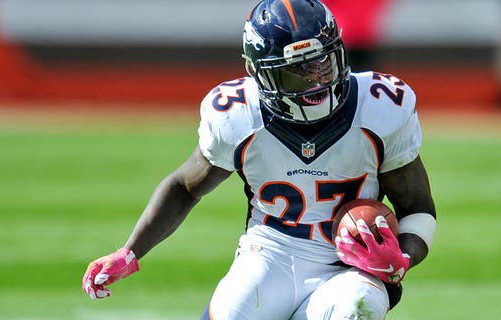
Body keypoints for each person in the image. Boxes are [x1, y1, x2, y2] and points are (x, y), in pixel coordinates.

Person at [82, 0, 437, 319]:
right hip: (271, 255)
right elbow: (185, 186)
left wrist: (399, 259)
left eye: (321, 63)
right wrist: (129, 253)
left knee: (355, 309)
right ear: (261, 75)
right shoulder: (237, 115)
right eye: (296, 71)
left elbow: (417, 206)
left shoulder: (379, 108)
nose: (315, 81)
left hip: (351, 268)